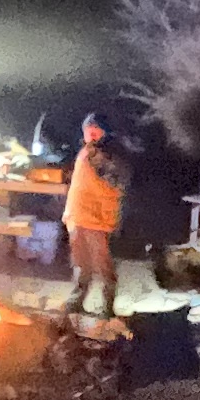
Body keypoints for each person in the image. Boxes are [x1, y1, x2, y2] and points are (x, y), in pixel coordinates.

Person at [62, 112, 125, 319]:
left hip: (97, 220)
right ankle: (76, 303)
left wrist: (102, 162)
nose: (91, 133)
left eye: (94, 130)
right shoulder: (87, 151)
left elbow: (114, 182)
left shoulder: (106, 155)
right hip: (79, 216)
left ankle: (107, 308)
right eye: (88, 130)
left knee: (102, 267)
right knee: (81, 264)